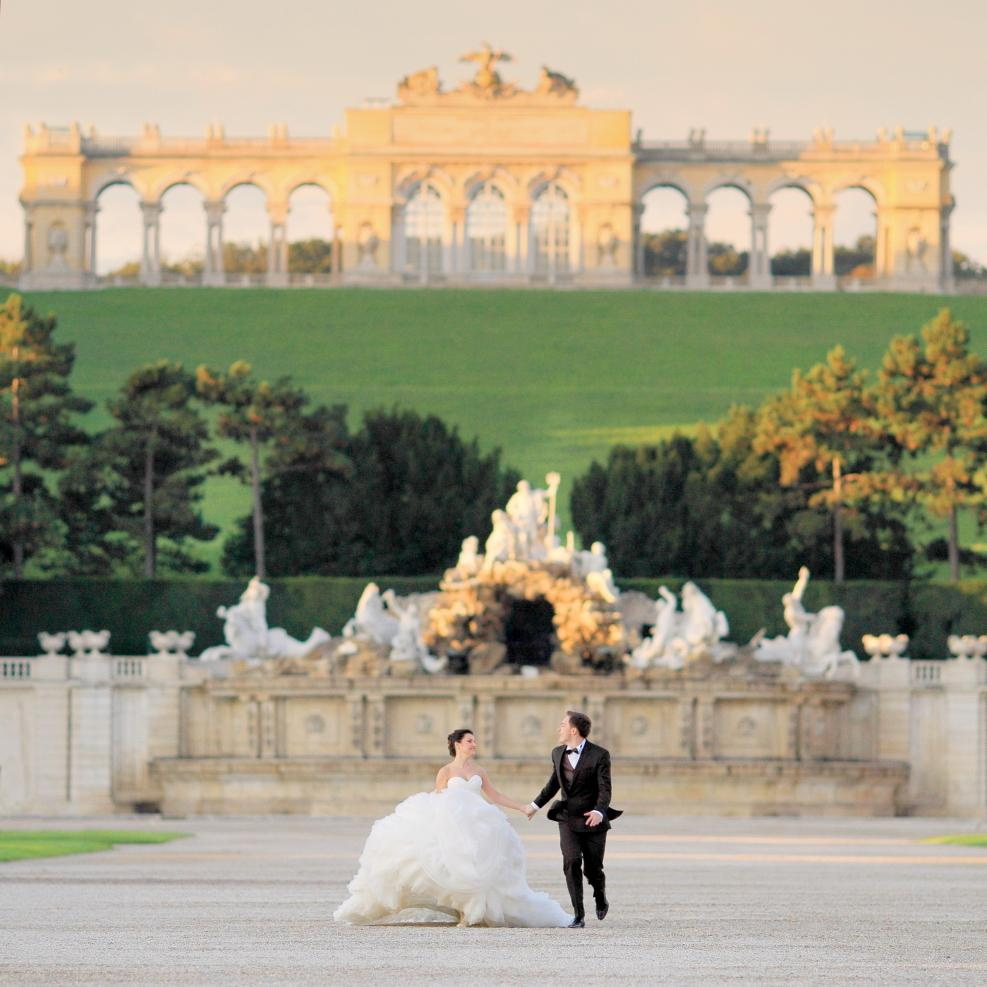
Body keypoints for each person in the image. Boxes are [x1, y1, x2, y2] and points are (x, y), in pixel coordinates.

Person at [334, 729, 570, 928]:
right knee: (455, 866)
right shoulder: (446, 771)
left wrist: (522, 807)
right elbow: (438, 797)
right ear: (457, 744)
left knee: (480, 866)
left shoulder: (479, 771)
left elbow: (495, 795)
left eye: (474, 741)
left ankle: (471, 911)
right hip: (454, 824)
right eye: (470, 741)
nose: (474, 744)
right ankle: (462, 909)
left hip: (480, 823)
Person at [525, 711, 621, 928]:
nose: (558, 729)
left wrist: (599, 811)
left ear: (574, 730)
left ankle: (600, 894)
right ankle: (578, 915)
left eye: (562, 725)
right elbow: (553, 784)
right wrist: (534, 806)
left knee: (593, 869)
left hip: (592, 819)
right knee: (571, 861)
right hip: (567, 817)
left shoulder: (600, 755)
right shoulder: (557, 753)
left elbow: (605, 788)